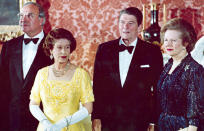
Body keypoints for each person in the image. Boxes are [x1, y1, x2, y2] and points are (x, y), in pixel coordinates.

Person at [92, 7, 163, 131]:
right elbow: (97, 87)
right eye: (122, 22)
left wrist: (153, 121)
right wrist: (96, 117)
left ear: (139, 28)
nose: (125, 27)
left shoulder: (153, 51)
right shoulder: (104, 49)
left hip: (139, 121)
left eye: (131, 23)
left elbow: (158, 90)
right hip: (109, 120)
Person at [0, 2, 53, 130]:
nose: (23, 19)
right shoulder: (9, 46)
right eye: (21, 15)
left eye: (29, 15)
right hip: (11, 118)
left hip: (42, 118)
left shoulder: (54, 47)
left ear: (41, 20)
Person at [29, 28, 94, 131]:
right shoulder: (42, 74)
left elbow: (88, 107)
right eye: (59, 47)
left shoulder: (81, 74)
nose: (64, 52)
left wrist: (64, 123)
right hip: (46, 128)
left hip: (72, 128)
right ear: (51, 50)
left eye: (67, 47)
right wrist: (45, 122)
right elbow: (33, 104)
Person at [157, 18, 204, 131]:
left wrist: (191, 128)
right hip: (163, 124)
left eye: (173, 40)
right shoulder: (168, 65)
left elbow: (196, 107)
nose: (167, 44)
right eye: (166, 39)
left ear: (186, 43)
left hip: (183, 127)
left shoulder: (194, 69)